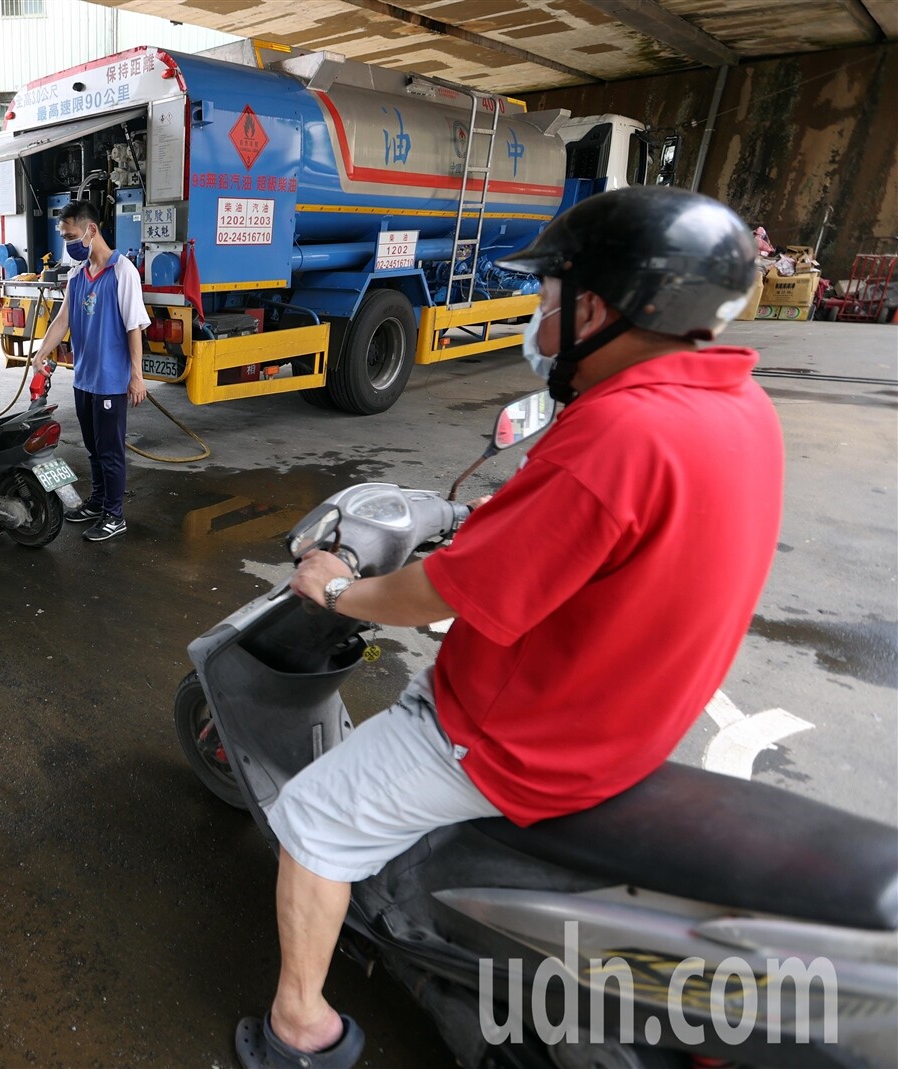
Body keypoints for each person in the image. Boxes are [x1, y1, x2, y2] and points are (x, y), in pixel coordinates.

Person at [237, 187, 782, 1069]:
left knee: (313, 821)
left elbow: (439, 595)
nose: (538, 313)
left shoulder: (618, 433)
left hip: (518, 737)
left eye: (548, 296)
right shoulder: (737, 407)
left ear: (597, 309)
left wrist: (335, 591)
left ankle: (301, 1025)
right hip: (630, 722)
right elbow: (597, 541)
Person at [31, 200, 149, 543]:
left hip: (111, 381)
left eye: (71, 235)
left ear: (90, 230)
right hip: (85, 378)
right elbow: (63, 319)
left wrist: (137, 375)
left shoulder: (122, 270)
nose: (68, 243)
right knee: (93, 448)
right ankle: (98, 501)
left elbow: (133, 327)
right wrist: (42, 351)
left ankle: (114, 514)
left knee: (110, 451)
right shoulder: (77, 275)